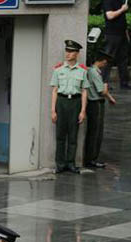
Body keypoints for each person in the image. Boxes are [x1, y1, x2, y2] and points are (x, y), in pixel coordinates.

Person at [50, 40, 88, 174]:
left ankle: (71, 163)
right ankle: (59, 164)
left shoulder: (82, 71)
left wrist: (83, 111)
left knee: (73, 135)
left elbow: (84, 91)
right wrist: (53, 110)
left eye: (71, 51)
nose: (68, 53)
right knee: (60, 135)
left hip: (75, 103)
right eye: (67, 51)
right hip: (61, 102)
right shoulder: (58, 69)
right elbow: (55, 90)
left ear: (77, 53)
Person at [83, 51, 117, 169]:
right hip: (95, 104)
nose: (105, 64)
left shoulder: (93, 71)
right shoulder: (94, 72)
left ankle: (92, 158)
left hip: (96, 103)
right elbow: (101, 91)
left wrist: (109, 95)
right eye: (105, 62)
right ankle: (91, 159)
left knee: (96, 131)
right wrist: (107, 90)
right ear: (102, 61)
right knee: (95, 132)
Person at [101, 0, 131, 90]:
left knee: (123, 59)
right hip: (112, 34)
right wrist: (122, 9)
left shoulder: (120, 0)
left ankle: (124, 83)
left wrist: (126, 34)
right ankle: (104, 84)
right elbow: (110, 16)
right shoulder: (108, 1)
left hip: (122, 34)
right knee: (108, 59)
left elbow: (122, 20)